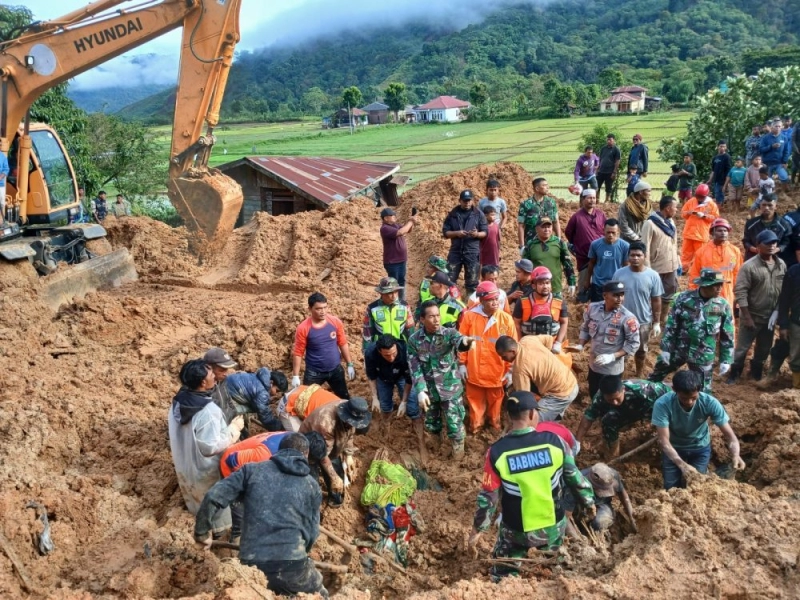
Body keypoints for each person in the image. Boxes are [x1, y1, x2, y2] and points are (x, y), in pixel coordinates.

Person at [467, 391, 595, 582]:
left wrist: (478, 530)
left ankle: (504, 581)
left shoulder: (496, 452)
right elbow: (575, 478)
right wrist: (588, 502)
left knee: (502, 572)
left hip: (516, 530)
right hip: (552, 525)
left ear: (510, 417)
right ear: (533, 414)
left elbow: (489, 497)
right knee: (552, 567)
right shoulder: (555, 442)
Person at [194, 434, 328, 598]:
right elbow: (313, 533)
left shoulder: (250, 470)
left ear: (279, 450)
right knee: (321, 594)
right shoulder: (312, 486)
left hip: (252, 566)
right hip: (293, 568)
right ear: (306, 455)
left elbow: (213, 496)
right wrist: (299, 553)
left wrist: (201, 533)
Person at [169, 359, 244, 534]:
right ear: (203, 382)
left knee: (196, 499)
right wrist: (233, 430)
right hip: (206, 469)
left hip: (185, 463)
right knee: (216, 506)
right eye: (211, 375)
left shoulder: (178, 402)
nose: (215, 378)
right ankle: (219, 534)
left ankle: (204, 525)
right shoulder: (208, 411)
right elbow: (210, 447)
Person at [652, 370, 745, 490]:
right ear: (674, 390)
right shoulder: (663, 404)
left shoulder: (709, 403)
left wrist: (736, 454)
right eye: (684, 398)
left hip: (700, 447)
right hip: (673, 448)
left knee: (698, 487)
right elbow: (664, 442)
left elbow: (730, 436)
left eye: (694, 397)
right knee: (671, 487)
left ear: (699, 390)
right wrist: (682, 466)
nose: (689, 402)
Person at [409, 300, 476, 458]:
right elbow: (414, 366)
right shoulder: (414, 340)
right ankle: (436, 453)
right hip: (430, 392)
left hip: (450, 389)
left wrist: (465, 343)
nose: (436, 319)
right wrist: (420, 390)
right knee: (432, 424)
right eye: (431, 316)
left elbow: (459, 341)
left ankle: (458, 458)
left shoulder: (449, 333)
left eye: (438, 315)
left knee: (455, 425)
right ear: (422, 319)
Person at [649, 269, 734, 392]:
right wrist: (666, 349)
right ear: (705, 285)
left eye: (720, 285)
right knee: (655, 377)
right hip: (679, 348)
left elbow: (728, 334)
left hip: (703, 353)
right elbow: (671, 325)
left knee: (703, 389)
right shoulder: (684, 299)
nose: (719, 288)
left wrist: (726, 359)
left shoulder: (722, 305)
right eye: (715, 285)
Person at [458, 281, 517, 433]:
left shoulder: (506, 319)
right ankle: (475, 428)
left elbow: (513, 347)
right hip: (475, 371)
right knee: (475, 405)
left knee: (495, 405)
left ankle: (495, 427)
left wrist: (510, 370)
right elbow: (463, 341)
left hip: (496, 372)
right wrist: (461, 363)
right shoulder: (470, 316)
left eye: (497, 299)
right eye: (491, 300)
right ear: (482, 301)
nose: (495, 303)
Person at [729, 230, 786, 383]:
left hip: (769, 318)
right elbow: (740, 291)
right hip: (752, 315)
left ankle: (756, 372)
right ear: (758, 245)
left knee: (764, 349)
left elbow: (784, 291)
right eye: (767, 243)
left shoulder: (781, 265)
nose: (771, 246)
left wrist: (777, 311)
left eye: (774, 242)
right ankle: (735, 373)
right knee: (742, 348)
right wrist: (746, 317)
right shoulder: (749, 266)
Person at [575, 375, 671, 459]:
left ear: (623, 390)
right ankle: (613, 456)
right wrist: (577, 441)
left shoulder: (643, 389)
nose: (615, 402)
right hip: (627, 411)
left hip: (651, 410)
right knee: (608, 421)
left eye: (617, 398)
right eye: (610, 400)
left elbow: (670, 393)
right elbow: (588, 417)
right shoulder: (599, 397)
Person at [299, 397, 371, 507]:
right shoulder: (326, 423)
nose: (353, 426)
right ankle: (313, 506)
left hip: (330, 444)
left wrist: (348, 455)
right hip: (312, 446)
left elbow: (350, 432)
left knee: (337, 473)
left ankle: (335, 498)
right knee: (312, 481)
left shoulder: (351, 410)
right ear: (346, 417)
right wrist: (334, 477)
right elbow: (322, 455)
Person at [574, 281, 640, 399]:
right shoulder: (593, 308)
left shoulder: (627, 318)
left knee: (610, 398)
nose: (620, 298)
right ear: (605, 296)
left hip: (612, 369)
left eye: (622, 295)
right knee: (594, 394)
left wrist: (613, 356)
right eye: (615, 295)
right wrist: (581, 344)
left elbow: (634, 343)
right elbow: (585, 328)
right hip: (594, 364)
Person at [495, 334, 580, 421]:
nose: (502, 359)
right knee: (550, 416)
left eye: (504, 356)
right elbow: (549, 339)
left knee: (531, 421)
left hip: (561, 395)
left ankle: (550, 420)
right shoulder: (528, 340)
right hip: (571, 381)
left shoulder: (519, 369)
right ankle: (553, 418)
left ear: (512, 351)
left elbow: (524, 399)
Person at [365, 335, 424, 456]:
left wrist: (404, 402)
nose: (391, 358)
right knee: (385, 406)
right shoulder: (371, 353)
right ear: (379, 351)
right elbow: (371, 376)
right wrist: (375, 397)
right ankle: (386, 429)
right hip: (383, 378)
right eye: (386, 355)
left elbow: (409, 380)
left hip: (402, 376)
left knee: (413, 406)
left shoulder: (406, 351)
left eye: (393, 353)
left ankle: (420, 438)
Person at [612, 241, 664, 377]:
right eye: (632, 255)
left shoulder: (653, 276)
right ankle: (619, 375)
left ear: (644, 256)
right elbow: (612, 295)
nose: (635, 258)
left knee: (641, 350)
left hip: (642, 321)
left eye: (638, 255)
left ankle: (639, 374)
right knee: (620, 350)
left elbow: (656, 299)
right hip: (621, 320)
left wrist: (657, 322)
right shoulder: (619, 274)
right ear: (628, 256)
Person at [204, 347, 286, 432]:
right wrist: (279, 428)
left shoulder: (222, 382)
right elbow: (265, 415)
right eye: (222, 370)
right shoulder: (262, 392)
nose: (226, 373)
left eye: (226, 369)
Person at [292, 292, 355, 400]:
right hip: (314, 372)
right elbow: (298, 352)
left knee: (343, 398)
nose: (323, 312)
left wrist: (349, 364)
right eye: (318, 309)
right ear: (310, 309)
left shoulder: (335, 322)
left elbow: (342, 343)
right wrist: (295, 376)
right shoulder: (303, 328)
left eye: (325, 307)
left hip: (335, 369)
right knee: (306, 401)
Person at [641, 196, 681, 330]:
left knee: (670, 290)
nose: (676, 210)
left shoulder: (671, 222)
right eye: (675, 207)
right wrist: (647, 268)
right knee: (653, 294)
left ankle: (663, 317)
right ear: (668, 208)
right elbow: (644, 247)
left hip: (671, 265)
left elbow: (674, 243)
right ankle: (650, 319)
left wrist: (677, 259)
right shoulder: (650, 224)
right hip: (656, 267)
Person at [512, 266, 570, 360]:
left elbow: (564, 322)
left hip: (552, 347)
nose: (545, 286)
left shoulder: (559, 301)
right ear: (534, 285)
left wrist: (558, 343)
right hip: (529, 347)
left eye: (547, 283)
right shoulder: (522, 301)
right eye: (541, 284)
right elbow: (516, 324)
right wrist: (520, 343)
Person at [688, 218, 742, 315]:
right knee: (708, 319)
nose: (723, 233)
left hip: (727, 291)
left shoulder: (734, 251)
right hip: (707, 291)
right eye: (719, 230)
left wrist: (738, 295)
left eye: (725, 231)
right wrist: (693, 293)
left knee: (727, 318)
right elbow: (695, 273)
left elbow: (738, 274)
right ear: (712, 232)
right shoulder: (702, 251)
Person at [563, 463, 636, 533]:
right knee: (576, 521)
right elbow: (565, 517)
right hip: (579, 504)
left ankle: (595, 531)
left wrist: (632, 518)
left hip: (602, 503)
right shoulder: (576, 484)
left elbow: (623, 494)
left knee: (600, 522)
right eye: (603, 490)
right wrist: (577, 539)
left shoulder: (612, 475)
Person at [442, 189, 487, 296]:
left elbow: (485, 232)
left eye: (469, 200)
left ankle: (470, 305)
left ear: (472, 201)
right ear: (460, 201)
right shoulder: (453, 214)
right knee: (449, 280)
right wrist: (457, 233)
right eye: (464, 201)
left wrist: (476, 234)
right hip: (455, 252)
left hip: (472, 252)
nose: (467, 203)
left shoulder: (479, 214)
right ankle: (451, 302)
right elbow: (445, 232)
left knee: (472, 283)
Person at [565, 187, 606, 300]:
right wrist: (577, 244)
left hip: (599, 255)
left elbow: (605, 230)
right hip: (584, 255)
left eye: (594, 198)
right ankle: (581, 301)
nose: (592, 200)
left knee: (599, 279)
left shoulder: (601, 215)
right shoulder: (576, 217)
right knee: (584, 279)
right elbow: (569, 232)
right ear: (583, 199)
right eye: (589, 198)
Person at [522, 216, 576, 298]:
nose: (546, 229)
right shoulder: (530, 244)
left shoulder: (559, 242)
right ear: (537, 229)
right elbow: (525, 267)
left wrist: (571, 281)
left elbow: (567, 263)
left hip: (555, 288)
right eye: (543, 227)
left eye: (549, 226)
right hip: (537, 289)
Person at [362, 276, 414, 351]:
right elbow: (367, 333)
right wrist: (367, 352)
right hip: (380, 350)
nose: (393, 296)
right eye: (389, 293)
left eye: (396, 292)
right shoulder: (372, 308)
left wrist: (413, 350)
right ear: (381, 293)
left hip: (401, 349)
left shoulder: (404, 306)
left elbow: (411, 331)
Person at [585, 219, 630, 302]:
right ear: (603, 231)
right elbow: (591, 263)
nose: (610, 235)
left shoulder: (625, 246)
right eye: (608, 232)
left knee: (614, 311)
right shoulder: (595, 244)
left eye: (613, 232)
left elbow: (626, 267)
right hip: (598, 284)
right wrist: (587, 281)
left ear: (618, 232)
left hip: (615, 285)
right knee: (597, 310)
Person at [379, 207, 418, 302]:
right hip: (392, 262)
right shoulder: (385, 228)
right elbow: (401, 232)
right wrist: (411, 221)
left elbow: (408, 230)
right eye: (392, 215)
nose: (394, 216)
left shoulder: (395, 225)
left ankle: (401, 301)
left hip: (401, 260)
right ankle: (392, 301)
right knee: (393, 285)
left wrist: (412, 222)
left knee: (401, 282)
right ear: (385, 218)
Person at [680, 183, 719, 272]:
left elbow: (715, 218)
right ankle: (684, 269)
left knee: (702, 254)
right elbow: (683, 213)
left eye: (701, 196)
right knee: (686, 254)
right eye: (697, 196)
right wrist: (688, 213)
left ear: (706, 195)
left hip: (701, 234)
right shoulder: (691, 201)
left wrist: (704, 216)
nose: (699, 198)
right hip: (689, 233)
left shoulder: (711, 205)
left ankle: (701, 271)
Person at [517, 177, 560, 252]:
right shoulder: (526, 204)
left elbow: (556, 222)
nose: (547, 187)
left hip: (549, 242)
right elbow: (521, 226)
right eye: (544, 185)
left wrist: (559, 240)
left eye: (547, 185)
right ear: (537, 188)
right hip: (531, 243)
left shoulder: (551, 203)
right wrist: (522, 246)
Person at [742, 194, 789, 261]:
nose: (766, 208)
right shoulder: (751, 223)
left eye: (770, 205)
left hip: (775, 259)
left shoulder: (784, 224)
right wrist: (754, 249)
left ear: (776, 207)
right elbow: (746, 241)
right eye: (764, 205)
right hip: (753, 259)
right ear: (760, 206)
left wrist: (776, 250)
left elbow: (786, 242)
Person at [277, 384, 343, 432]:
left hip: (302, 391)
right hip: (288, 405)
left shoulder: (343, 403)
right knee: (301, 438)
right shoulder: (323, 420)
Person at [777, 262, 800, 388]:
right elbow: (784, 299)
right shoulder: (794, 271)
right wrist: (783, 324)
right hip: (797, 322)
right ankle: (797, 386)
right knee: (796, 356)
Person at [760, 119, 791, 192]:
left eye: (779, 126)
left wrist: (785, 161)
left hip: (779, 162)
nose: (778, 128)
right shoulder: (765, 138)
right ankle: (767, 195)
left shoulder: (784, 138)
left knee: (784, 177)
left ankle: (783, 194)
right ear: (771, 127)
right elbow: (761, 149)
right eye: (776, 126)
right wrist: (771, 146)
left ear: (782, 127)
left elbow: (786, 151)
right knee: (767, 180)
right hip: (767, 163)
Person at [596, 134, 621, 204]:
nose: (608, 141)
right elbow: (600, 159)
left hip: (610, 171)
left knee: (608, 187)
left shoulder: (616, 150)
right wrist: (597, 169)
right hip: (601, 171)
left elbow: (617, 161)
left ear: (614, 140)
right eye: (607, 139)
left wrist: (614, 172)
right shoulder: (603, 148)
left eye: (610, 140)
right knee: (597, 185)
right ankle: (597, 199)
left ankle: (607, 200)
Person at [707, 140, 732, 204]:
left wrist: (727, 181)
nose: (722, 148)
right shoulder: (715, 158)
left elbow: (729, 170)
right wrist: (710, 180)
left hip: (723, 179)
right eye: (721, 146)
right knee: (717, 194)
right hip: (716, 180)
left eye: (724, 146)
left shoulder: (727, 157)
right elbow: (713, 170)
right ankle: (720, 206)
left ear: (726, 148)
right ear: (718, 147)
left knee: (720, 194)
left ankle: (720, 207)